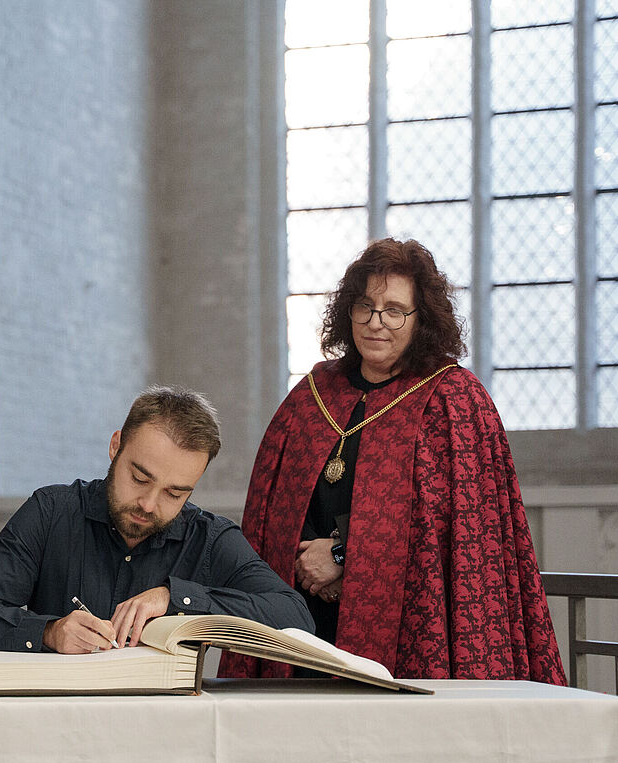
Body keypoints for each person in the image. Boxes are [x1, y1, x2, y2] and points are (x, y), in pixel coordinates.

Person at [220, 238, 565, 685]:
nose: (376, 322)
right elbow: (273, 510)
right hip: (306, 617)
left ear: (422, 320)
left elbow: (450, 531)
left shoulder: (452, 398)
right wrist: (310, 564)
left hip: (414, 629)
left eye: (395, 310)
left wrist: (345, 556)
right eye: (365, 306)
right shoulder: (312, 394)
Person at [0, 386, 314, 654]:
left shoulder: (209, 538)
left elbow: (295, 617)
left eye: (175, 493)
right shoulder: (51, 512)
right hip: (55, 722)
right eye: (140, 478)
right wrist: (49, 632)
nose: (149, 504)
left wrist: (176, 597)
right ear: (116, 446)